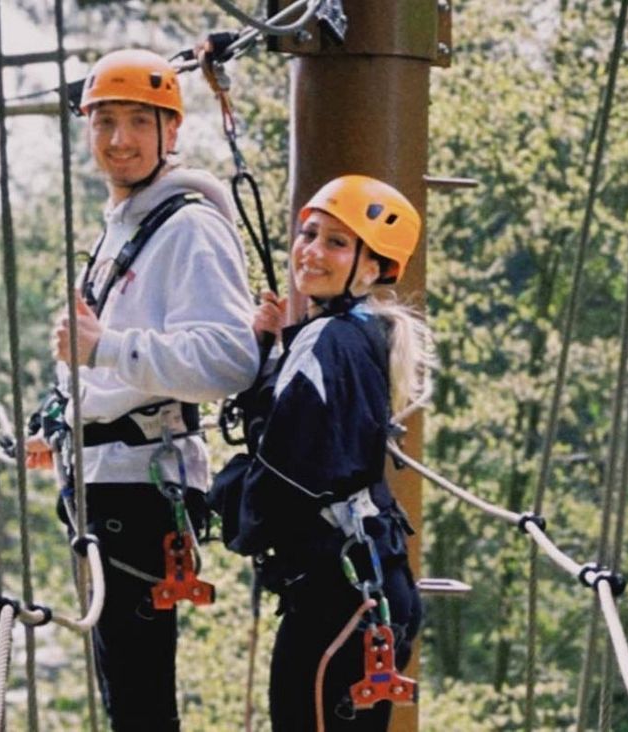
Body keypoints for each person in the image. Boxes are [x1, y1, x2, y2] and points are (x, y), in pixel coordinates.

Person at [27, 48, 259, 731]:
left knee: (138, 697)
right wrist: (61, 418)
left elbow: (230, 360)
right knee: (125, 690)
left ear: (171, 130)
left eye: (138, 121)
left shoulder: (189, 228)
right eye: (104, 122)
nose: (119, 140)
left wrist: (105, 348)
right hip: (105, 478)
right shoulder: (126, 226)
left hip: (142, 486)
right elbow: (110, 357)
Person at [209, 174, 433, 730]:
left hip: (337, 598)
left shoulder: (326, 340)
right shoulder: (354, 333)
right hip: (363, 589)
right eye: (308, 234)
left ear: (373, 267)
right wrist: (274, 350)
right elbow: (305, 432)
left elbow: (284, 475)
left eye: (336, 242)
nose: (310, 251)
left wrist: (228, 507)